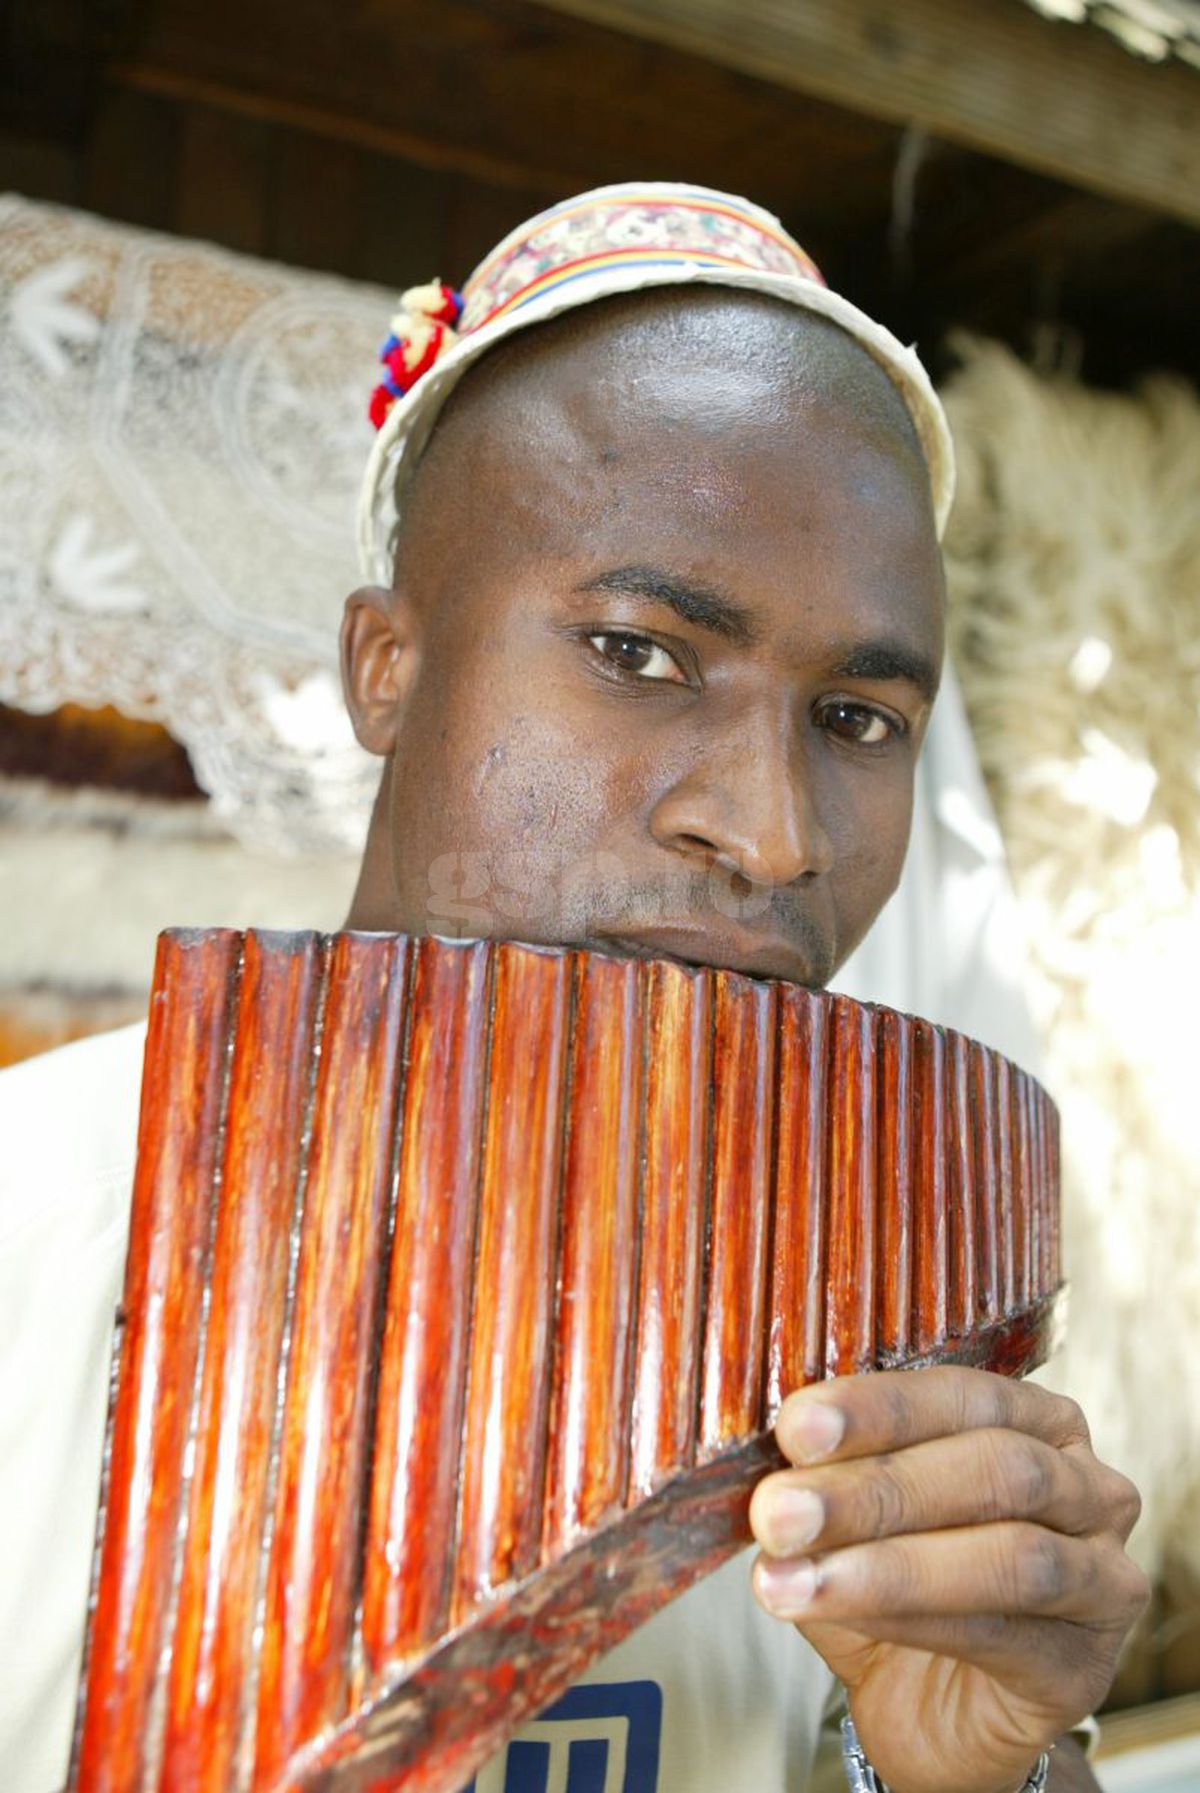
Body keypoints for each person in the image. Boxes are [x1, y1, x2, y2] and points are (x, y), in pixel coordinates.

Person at [0, 185, 1145, 1793]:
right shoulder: (25, 1225)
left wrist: (980, 1774)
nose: (771, 832)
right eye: (639, 652)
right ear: (385, 668)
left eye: (858, 717)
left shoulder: (868, 1362)